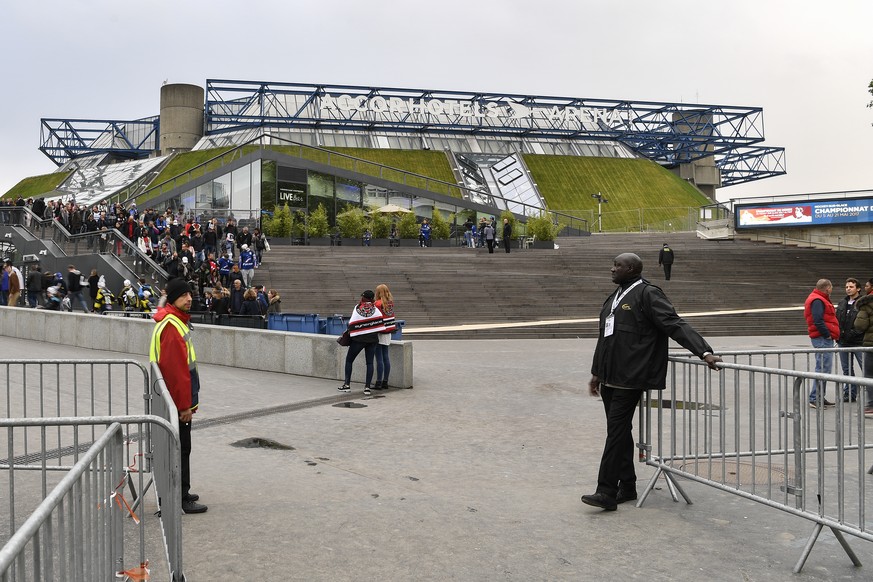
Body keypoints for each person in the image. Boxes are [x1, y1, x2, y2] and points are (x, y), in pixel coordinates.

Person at [581, 253, 721, 511]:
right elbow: (604, 338)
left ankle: (606, 491)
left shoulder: (647, 294)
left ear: (632, 269)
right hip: (611, 377)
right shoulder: (614, 297)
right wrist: (596, 373)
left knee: (616, 434)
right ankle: (628, 487)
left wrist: (703, 351)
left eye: (618, 266)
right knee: (620, 434)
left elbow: (673, 323)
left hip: (631, 377)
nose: (612, 269)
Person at [149, 278, 208, 514]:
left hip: (172, 401)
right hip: (176, 403)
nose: (190, 298)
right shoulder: (172, 326)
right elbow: (178, 372)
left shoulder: (172, 322)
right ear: (173, 299)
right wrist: (184, 407)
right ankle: (180, 497)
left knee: (179, 448)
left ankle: (179, 492)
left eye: (190, 294)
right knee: (180, 449)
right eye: (183, 295)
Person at [337, 290, 386, 396]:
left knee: (349, 360)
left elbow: (351, 323)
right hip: (372, 340)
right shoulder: (376, 309)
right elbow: (379, 324)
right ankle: (367, 387)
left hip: (358, 340)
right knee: (369, 363)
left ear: (364, 298)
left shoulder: (358, 308)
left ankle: (347, 385)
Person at [805, 279, 840, 408]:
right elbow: (818, 320)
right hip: (822, 338)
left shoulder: (818, 298)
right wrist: (827, 334)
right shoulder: (818, 300)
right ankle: (814, 398)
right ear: (827, 288)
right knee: (822, 368)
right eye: (831, 288)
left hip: (822, 337)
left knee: (824, 368)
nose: (831, 290)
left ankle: (819, 396)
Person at [836, 278, 863, 402]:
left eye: (851, 287)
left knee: (866, 368)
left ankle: (870, 394)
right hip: (843, 342)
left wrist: (852, 334)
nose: (848, 289)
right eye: (847, 287)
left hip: (859, 342)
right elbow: (837, 320)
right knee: (847, 370)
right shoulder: (842, 302)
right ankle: (850, 393)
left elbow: (863, 324)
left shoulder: (863, 303)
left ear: (858, 288)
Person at [852, 278, 873, 416]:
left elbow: (860, 326)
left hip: (871, 344)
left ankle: (871, 405)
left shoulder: (866, 304)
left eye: (867, 285)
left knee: (869, 375)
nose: (865, 287)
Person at [373, 284, 396, 390]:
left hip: (379, 332)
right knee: (386, 357)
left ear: (378, 293)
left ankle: (378, 382)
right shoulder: (390, 303)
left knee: (379, 358)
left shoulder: (377, 304)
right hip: (388, 331)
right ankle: (385, 381)